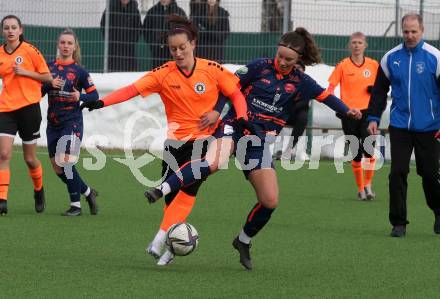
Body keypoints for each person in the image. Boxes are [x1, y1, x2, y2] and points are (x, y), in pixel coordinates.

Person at [143, 28, 362, 269]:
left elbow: (326, 97)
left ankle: (243, 240)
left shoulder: (302, 82)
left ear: (299, 58)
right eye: (280, 56)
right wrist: (217, 110)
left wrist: (347, 109)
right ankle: (160, 189)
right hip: (234, 128)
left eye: (289, 59)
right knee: (212, 163)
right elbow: (230, 87)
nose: (282, 62)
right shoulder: (259, 67)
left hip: (257, 143)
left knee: (270, 200)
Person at [80, 15, 249, 264]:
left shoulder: (211, 69)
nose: (178, 53)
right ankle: (172, 245)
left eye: (182, 47)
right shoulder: (163, 74)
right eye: (173, 49)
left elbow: (235, 93)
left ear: (193, 44)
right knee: (172, 201)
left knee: (187, 190)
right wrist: (101, 102)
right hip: (175, 144)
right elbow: (131, 90)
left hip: (204, 140)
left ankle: (160, 239)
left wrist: (240, 117)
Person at [367, 13, 440, 237]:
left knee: (429, 174)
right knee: (397, 172)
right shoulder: (390, 58)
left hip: (430, 126)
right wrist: (373, 117)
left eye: (414, 31)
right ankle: (398, 223)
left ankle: (438, 211)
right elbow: (379, 91)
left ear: (422, 30)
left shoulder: (435, 57)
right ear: (402, 31)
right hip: (400, 126)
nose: (410, 35)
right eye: (406, 31)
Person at [42, 29, 100, 216]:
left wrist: (80, 96)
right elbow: (39, 92)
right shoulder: (48, 68)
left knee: (66, 162)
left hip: (72, 122)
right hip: (53, 123)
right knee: (57, 168)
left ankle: (76, 205)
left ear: (75, 47)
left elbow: (94, 96)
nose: (66, 46)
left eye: (69, 43)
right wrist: (49, 84)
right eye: (63, 43)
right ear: (58, 45)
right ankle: (88, 192)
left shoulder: (80, 71)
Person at [0, 15, 53, 215]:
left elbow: (47, 77)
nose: (10, 31)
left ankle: (39, 190)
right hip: (6, 109)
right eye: (6, 28)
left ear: (20, 30)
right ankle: (2, 200)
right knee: (3, 154)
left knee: (30, 159)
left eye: (14, 27)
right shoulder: (1, 54)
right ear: (3, 31)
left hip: (29, 109)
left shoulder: (30, 51)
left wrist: (25, 72)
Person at [327, 32, 379, 201]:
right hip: (349, 113)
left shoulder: (373, 65)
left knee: (369, 150)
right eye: (354, 43)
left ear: (365, 45)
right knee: (356, 153)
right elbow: (330, 89)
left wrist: (375, 90)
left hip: (367, 114)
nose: (357, 45)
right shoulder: (342, 65)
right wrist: (337, 106)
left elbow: (383, 86)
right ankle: (360, 189)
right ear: (349, 46)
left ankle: (368, 185)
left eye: (360, 42)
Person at [272, 61, 310, 161]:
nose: (297, 71)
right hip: (282, 113)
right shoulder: (283, 81)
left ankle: (289, 150)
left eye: (299, 69)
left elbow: (304, 102)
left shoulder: (307, 84)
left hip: (296, 115)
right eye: (295, 68)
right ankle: (276, 150)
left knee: (303, 117)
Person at [100, 0, 142, 72]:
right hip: (114, 49)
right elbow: (104, 26)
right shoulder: (110, 9)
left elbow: (138, 28)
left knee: (130, 74)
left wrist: (132, 41)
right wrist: (112, 40)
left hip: (129, 49)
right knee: (113, 73)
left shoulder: (135, 10)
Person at [143, 0, 186, 68]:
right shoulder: (152, 11)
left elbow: (184, 31)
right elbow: (146, 30)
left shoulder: (179, 12)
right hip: (156, 51)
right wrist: (152, 44)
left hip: (174, 51)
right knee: (158, 73)